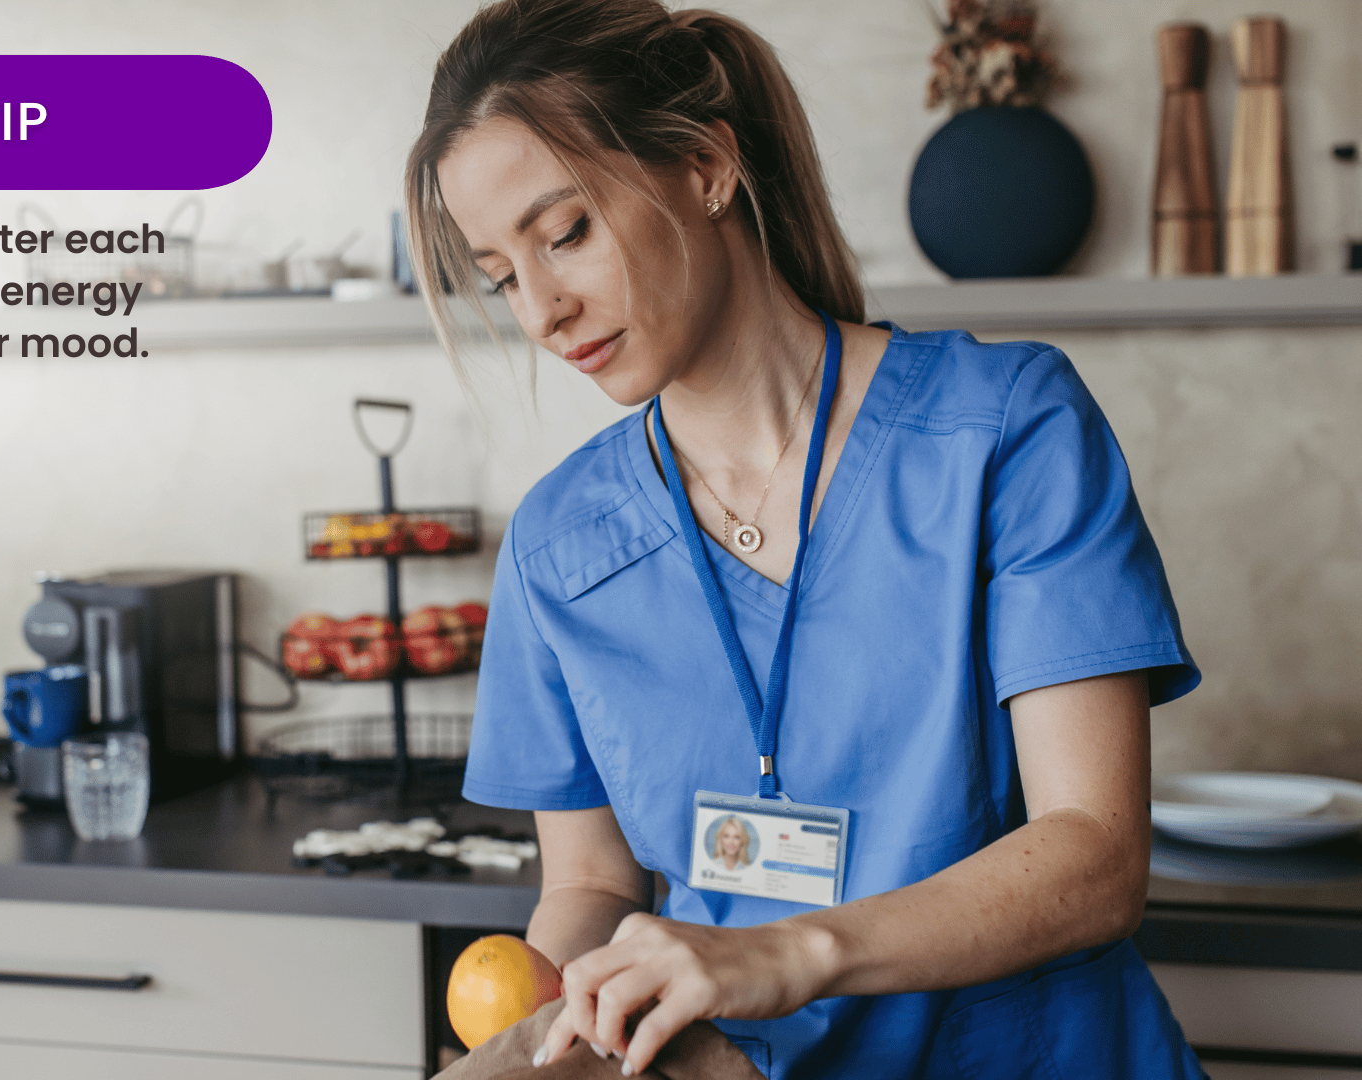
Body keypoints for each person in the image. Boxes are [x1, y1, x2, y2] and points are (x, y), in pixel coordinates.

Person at [403, 2, 1205, 1077]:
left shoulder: (1005, 429)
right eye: (502, 277)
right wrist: (546, 1037)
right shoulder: (558, 543)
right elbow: (592, 886)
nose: (541, 311)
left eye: (567, 234)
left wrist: (779, 954)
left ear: (706, 166)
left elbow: (1095, 856)